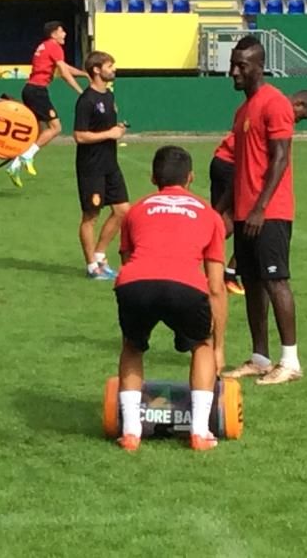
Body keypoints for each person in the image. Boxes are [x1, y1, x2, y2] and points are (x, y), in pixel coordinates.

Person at [113, 146, 228, 452]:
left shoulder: (136, 210)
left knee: (133, 345)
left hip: (135, 284)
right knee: (201, 345)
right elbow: (216, 286)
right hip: (186, 286)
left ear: (153, 177)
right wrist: (218, 347)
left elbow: (128, 262)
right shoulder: (209, 214)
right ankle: (200, 432)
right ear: (191, 178)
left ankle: (131, 433)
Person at [220, 37, 307, 386]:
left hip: (270, 212)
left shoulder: (274, 103)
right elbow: (242, 165)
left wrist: (261, 207)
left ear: (259, 67)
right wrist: (226, 212)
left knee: (276, 281)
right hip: (247, 211)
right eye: (233, 64)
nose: (234, 71)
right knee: (252, 283)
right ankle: (260, 358)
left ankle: (290, 361)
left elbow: (280, 158)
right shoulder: (243, 110)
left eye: (241, 66)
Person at [210, 89, 307, 296]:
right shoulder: (277, 109)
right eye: (301, 117)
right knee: (242, 221)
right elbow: (278, 156)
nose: (297, 121)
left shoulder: (264, 104)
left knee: (232, 220)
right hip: (234, 164)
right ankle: (205, 257)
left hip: (224, 161)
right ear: (299, 104)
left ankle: (225, 268)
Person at [6, 21, 87, 186]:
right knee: (55, 127)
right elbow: (64, 73)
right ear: (54, 34)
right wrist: (81, 92)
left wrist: (84, 74)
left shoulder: (44, 46)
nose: (64, 34)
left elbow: (64, 67)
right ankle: (27, 156)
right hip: (37, 91)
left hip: (30, 89)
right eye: (62, 31)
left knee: (37, 132)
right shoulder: (55, 47)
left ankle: (14, 165)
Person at [73, 51, 129, 280]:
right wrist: (110, 133)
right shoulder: (86, 100)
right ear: (96, 70)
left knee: (123, 211)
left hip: (110, 164)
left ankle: (100, 255)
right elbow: (80, 136)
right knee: (91, 216)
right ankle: (91, 266)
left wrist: (118, 130)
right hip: (91, 167)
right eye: (109, 66)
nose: (113, 69)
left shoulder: (108, 96)